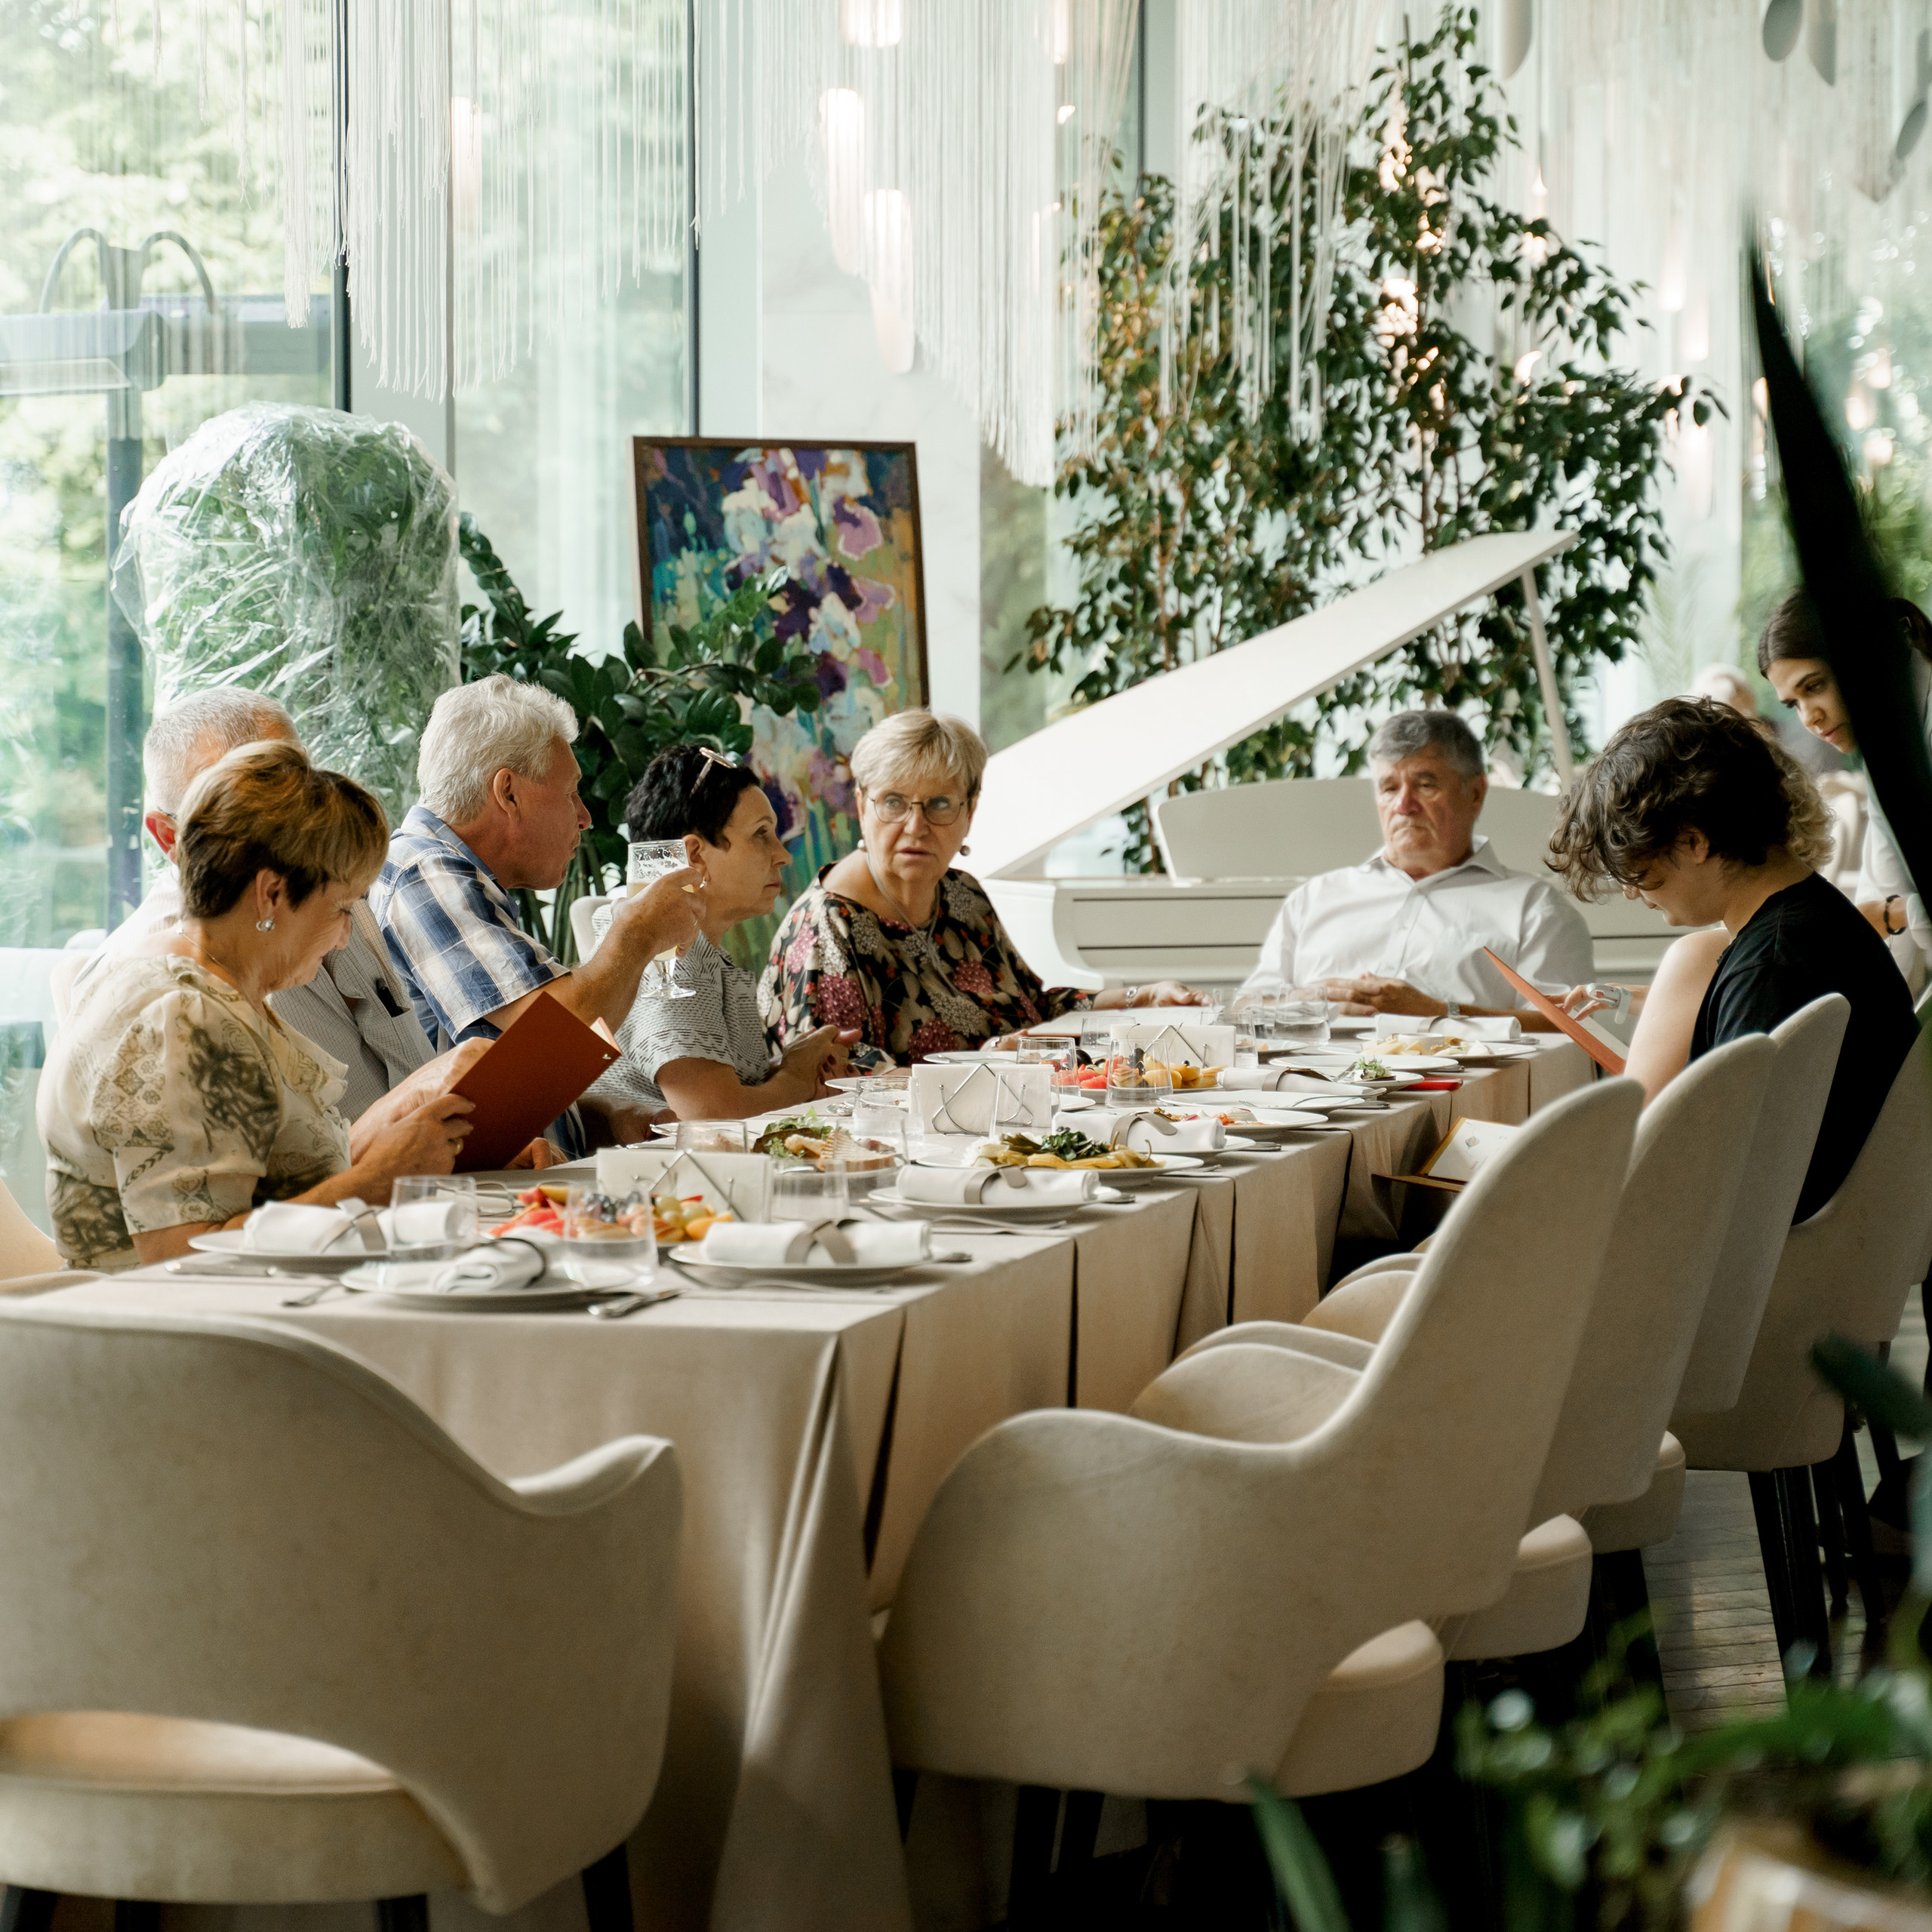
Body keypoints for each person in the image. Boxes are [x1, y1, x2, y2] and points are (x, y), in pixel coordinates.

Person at [40, 743, 476, 1270]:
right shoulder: (183, 1018)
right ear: (271, 893)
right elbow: (181, 1258)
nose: (344, 937)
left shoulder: (197, 986)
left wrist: (406, 1152)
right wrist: (372, 1182)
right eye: (341, 909)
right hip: (181, 1339)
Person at [1548, 697, 1915, 1220]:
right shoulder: (1820, 923)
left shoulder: (1772, 965)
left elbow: (1706, 1170)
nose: (1633, 892)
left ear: (1695, 840)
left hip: (1761, 1264)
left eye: (1637, 866)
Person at [80, 689, 453, 1126]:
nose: (302, 826)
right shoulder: (159, 989)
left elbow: (411, 1072)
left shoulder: (328, 891)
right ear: (169, 837)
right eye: (250, 810)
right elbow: (243, 1183)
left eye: (301, 785)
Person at [761, 710, 1206, 1069]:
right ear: (862, 805)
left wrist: (1140, 999)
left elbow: (1033, 1011)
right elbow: (832, 1077)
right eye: (894, 802)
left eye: (939, 804)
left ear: (969, 811)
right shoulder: (825, 928)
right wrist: (979, 1066)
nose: (916, 827)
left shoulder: (962, 895)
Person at [370, 675, 703, 1152]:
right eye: (571, 793)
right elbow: (555, 1031)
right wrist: (639, 931)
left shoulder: (456, 876)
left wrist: (600, 1118)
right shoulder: (424, 871)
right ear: (508, 793)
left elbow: (526, 1068)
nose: (586, 817)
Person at [1238, 709, 1593, 1023]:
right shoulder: (1314, 899)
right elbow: (1245, 1009)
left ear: (1475, 793)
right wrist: (1309, 998)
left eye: (1425, 785)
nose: (1403, 805)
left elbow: (1567, 1029)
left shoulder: (1535, 911)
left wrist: (1440, 1012)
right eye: (1389, 788)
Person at [587, 746, 858, 1120]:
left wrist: (796, 1065)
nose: (783, 854)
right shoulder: (663, 956)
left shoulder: (706, 955)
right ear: (694, 856)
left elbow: (733, 1093)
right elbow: (713, 1114)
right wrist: (796, 1078)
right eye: (761, 834)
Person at [1758, 589, 1932, 966]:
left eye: (1814, 686)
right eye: (1793, 704)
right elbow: (1881, 896)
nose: (1809, 718)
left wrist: (1897, 914)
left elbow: (1886, 913)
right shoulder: (1888, 745)